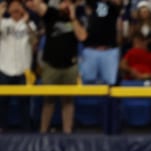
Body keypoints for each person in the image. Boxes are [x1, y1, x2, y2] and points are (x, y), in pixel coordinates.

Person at [26, 0, 87, 135]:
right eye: (64, 2)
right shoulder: (51, 14)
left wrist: (72, 18)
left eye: (69, 2)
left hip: (70, 66)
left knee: (68, 101)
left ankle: (67, 133)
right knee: (48, 101)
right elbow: (37, 5)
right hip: (51, 65)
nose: (66, 4)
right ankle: (43, 132)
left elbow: (82, 36)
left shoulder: (78, 18)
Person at [0, 0, 37, 133]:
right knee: (2, 104)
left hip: (23, 71)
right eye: (13, 7)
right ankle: (2, 129)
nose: (15, 9)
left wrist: (26, 23)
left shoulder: (30, 24)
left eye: (18, 7)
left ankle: (26, 132)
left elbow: (34, 43)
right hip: (5, 69)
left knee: (25, 105)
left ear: (22, 9)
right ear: (9, 9)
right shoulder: (4, 24)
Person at [81, 0, 123, 85]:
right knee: (88, 82)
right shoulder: (90, 4)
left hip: (109, 50)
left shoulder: (113, 6)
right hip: (91, 49)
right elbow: (86, 9)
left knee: (110, 83)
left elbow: (119, 3)